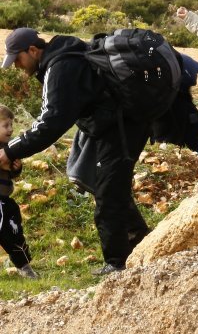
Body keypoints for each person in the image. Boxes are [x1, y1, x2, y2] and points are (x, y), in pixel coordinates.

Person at [0, 28, 154, 275]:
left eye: (17, 59)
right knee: (110, 187)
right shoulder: (62, 59)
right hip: (118, 124)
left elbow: (50, 122)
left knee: (108, 192)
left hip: (122, 126)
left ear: (32, 50)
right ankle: (142, 246)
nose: (17, 66)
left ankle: (117, 264)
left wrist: (11, 150)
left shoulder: (59, 68)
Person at [0, 105, 37, 279]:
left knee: (14, 230)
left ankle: (24, 265)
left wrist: (16, 168)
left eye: (11, 125)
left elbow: (12, 174)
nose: (10, 129)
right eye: (5, 125)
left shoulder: (9, 148)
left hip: (5, 200)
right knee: (6, 231)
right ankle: (23, 266)